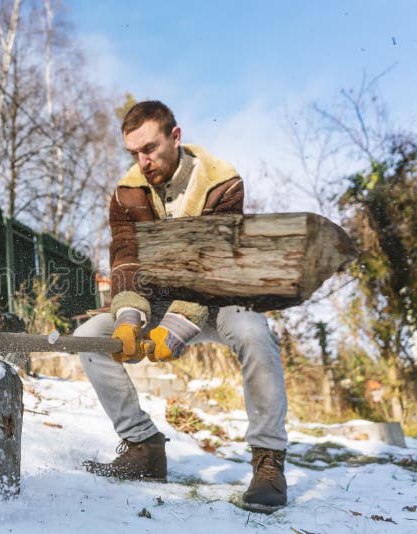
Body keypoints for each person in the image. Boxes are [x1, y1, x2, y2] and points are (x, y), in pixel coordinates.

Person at [74, 100, 288, 513]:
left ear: (176, 136)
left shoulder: (222, 182)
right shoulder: (125, 193)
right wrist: (129, 320)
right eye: (134, 152)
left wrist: (175, 329)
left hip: (222, 294)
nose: (143, 160)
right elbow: (126, 259)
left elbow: (207, 262)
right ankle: (143, 449)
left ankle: (268, 461)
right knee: (89, 338)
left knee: (254, 335)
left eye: (150, 148)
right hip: (157, 295)